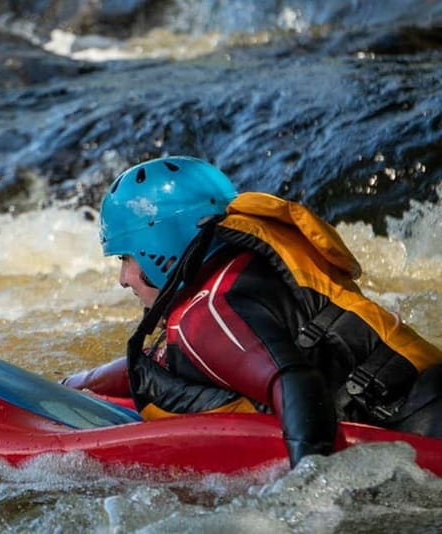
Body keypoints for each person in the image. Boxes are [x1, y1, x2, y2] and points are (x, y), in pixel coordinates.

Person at [62, 156, 442, 467]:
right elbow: (160, 361)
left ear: (157, 246)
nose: (123, 279)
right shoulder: (243, 269)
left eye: (125, 258)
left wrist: (309, 486)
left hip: (420, 434)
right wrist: (73, 385)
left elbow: (297, 382)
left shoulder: (209, 314)